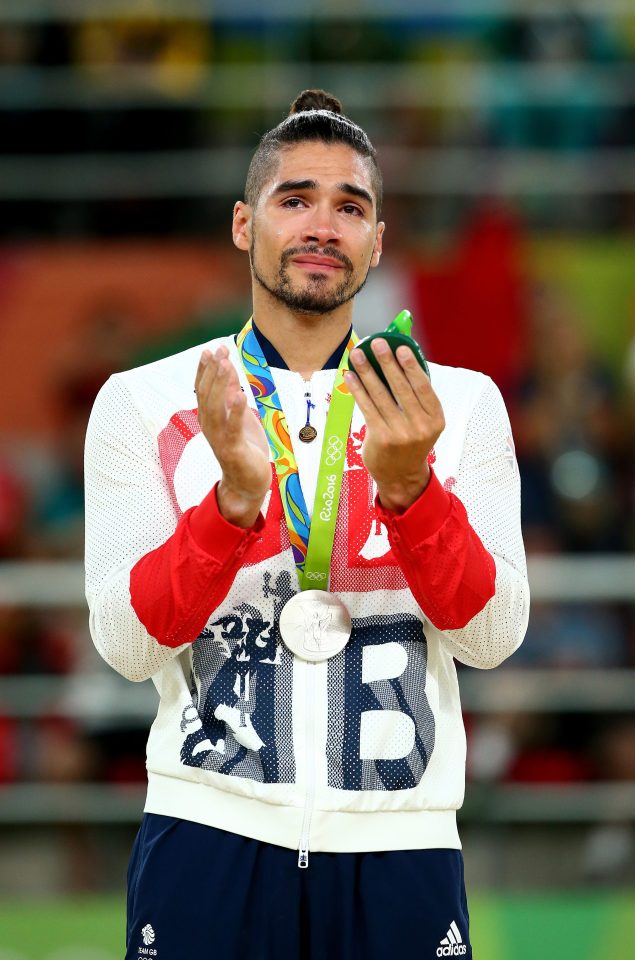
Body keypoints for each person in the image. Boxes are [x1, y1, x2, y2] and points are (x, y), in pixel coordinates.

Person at [85, 89, 529, 960]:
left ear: (377, 241)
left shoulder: (461, 404)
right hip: (206, 829)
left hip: (401, 839)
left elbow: (493, 636)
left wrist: (413, 498)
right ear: (245, 225)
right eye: (295, 200)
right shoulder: (146, 400)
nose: (322, 225)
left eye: (349, 207)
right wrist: (230, 509)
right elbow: (125, 646)